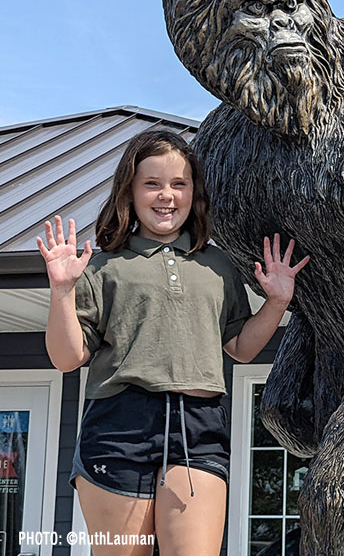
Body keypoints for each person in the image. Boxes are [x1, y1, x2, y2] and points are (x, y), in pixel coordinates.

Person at [37, 129, 309, 556]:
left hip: (198, 426)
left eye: (179, 184)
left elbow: (240, 347)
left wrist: (276, 302)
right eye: (152, 184)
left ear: (194, 194)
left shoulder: (217, 264)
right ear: (130, 192)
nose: (167, 195)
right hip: (119, 426)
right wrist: (62, 292)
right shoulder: (105, 267)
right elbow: (67, 358)